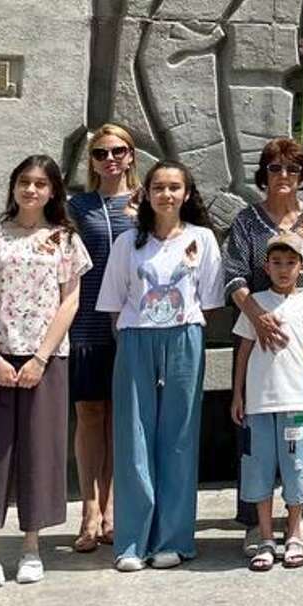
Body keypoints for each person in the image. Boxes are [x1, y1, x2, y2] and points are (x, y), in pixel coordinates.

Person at [0, 154, 89, 588]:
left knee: (40, 452)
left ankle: (32, 547)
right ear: (13, 187)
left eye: (40, 183)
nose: (31, 190)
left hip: (44, 360)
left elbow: (70, 301)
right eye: (23, 182)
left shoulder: (65, 239)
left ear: (53, 191)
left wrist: (41, 358)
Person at [96, 160, 223, 571]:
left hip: (185, 337)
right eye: (158, 187)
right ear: (145, 193)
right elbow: (114, 305)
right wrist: (138, 335)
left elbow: (209, 299)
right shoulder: (127, 243)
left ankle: (173, 538)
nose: (166, 194)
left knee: (179, 436)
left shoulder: (202, 239)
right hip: (136, 339)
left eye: (174, 187)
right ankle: (132, 541)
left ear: (186, 194)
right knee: (133, 437)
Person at [222, 137, 303, 545]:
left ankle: (300, 516)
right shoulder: (246, 221)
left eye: (292, 169)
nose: (284, 177)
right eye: (275, 169)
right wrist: (256, 317)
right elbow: (234, 277)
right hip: (259, 348)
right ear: (264, 174)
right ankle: (256, 523)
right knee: (255, 440)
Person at [234, 233, 303, 571]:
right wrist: (238, 394)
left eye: (291, 263)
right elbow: (244, 349)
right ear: (266, 266)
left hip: (296, 401)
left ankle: (292, 534)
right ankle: (265, 536)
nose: (283, 269)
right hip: (259, 403)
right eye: (277, 262)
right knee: (259, 468)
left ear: (302, 267)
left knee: (295, 467)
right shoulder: (255, 303)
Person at [64, 123, 137, 553]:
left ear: (130, 156)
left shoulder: (146, 202)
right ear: (91, 161)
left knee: (119, 418)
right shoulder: (78, 208)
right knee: (90, 414)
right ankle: (89, 507)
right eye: (100, 153)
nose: (109, 160)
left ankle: (113, 509)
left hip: (131, 327)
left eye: (117, 151)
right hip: (87, 326)